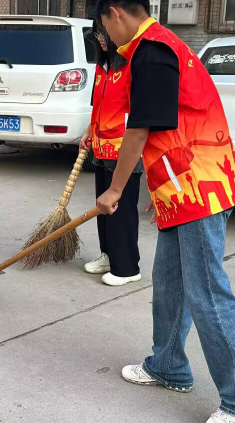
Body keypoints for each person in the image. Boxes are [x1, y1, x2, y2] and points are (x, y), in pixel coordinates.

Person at [94, 0, 235, 423]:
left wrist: (116, 190)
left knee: (208, 293)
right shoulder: (158, 45)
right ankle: (169, 365)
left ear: (115, 14)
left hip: (199, 187)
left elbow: (138, 130)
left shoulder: (152, 51)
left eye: (104, 26)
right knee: (171, 285)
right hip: (180, 189)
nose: (107, 37)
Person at [80, 22, 143, 286]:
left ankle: (127, 267)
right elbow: (99, 106)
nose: (100, 39)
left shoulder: (130, 66)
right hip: (101, 146)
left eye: (103, 33)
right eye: (96, 34)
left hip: (124, 151)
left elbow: (140, 116)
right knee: (103, 206)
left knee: (122, 209)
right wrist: (88, 130)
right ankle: (108, 255)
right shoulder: (101, 68)